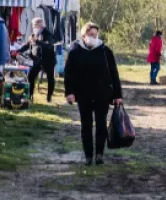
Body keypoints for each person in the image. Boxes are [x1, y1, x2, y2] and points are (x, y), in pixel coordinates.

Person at [64, 22, 123, 166]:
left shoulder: (105, 51)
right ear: (84, 35)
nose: (93, 37)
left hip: (102, 93)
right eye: (91, 35)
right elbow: (69, 74)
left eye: (95, 35)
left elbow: (114, 73)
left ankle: (99, 154)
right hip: (83, 93)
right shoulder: (75, 51)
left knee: (101, 124)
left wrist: (118, 95)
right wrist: (69, 92)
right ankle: (88, 156)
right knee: (86, 125)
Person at [20, 17, 57, 103]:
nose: (34, 27)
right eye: (33, 26)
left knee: (50, 78)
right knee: (31, 76)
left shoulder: (48, 34)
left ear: (41, 25)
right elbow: (27, 45)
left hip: (49, 60)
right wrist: (18, 51)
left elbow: (48, 45)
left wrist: (37, 42)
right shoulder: (33, 34)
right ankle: (30, 95)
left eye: (35, 25)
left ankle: (49, 97)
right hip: (37, 60)